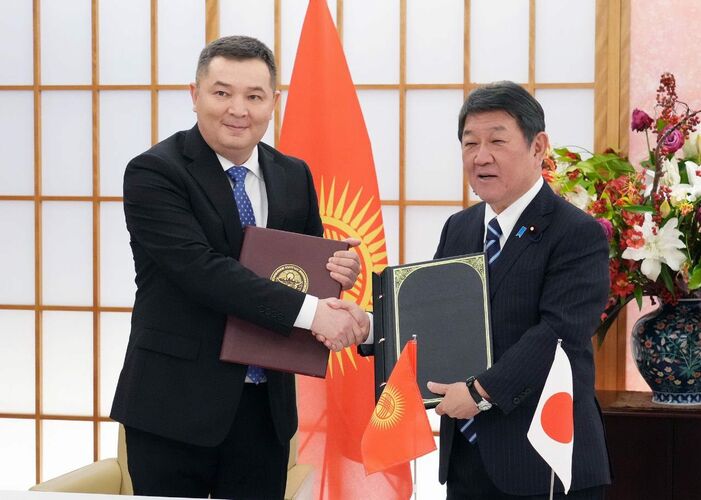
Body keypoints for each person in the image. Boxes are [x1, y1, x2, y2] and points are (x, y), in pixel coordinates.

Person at [110, 35, 369, 499]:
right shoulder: (155, 172)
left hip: (264, 410)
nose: (238, 110)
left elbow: (305, 273)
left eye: (254, 96)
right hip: (173, 407)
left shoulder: (293, 174)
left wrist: (337, 273)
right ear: (195, 95)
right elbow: (203, 271)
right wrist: (314, 313)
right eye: (222, 92)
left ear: (274, 102)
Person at [426, 81, 611, 499]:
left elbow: (558, 334)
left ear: (538, 146)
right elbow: (434, 314)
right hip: (467, 461)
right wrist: (370, 326)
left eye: (497, 141)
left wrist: (479, 393)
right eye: (470, 143)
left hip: (546, 460)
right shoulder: (459, 228)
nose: (481, 156)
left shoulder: (577, 233)